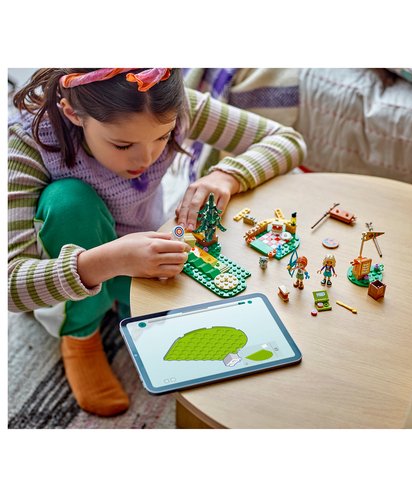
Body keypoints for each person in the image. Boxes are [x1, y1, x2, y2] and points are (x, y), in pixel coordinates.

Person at [8, 68, 306, 417]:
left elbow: (287, 140)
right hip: (69, 268)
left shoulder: (176, 107)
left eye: (163, 137)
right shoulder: (27, 144)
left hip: (142, 248)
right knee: (68, 201)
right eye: (122, 144)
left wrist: (227, 175)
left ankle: (128, 302)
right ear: (73, 113)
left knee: (212, 320)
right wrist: (109, 261)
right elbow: (11, 288)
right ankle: (80, 335)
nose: (145, 159)